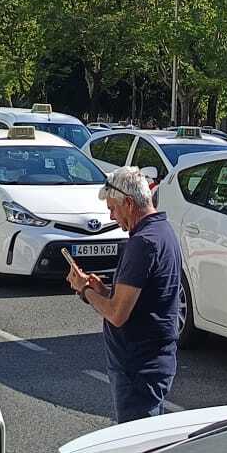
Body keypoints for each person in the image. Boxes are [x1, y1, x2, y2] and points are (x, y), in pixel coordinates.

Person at [67, 166, 183, 422]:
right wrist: (104, 290)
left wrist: (85, 289)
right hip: (152, 362)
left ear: (129, 204)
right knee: (151, 437)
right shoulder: (163, 230)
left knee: (138, 442)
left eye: (113, 208)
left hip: (138, 367)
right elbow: (140, 298)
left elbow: (117, 314)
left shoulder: (142, 243)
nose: (112, 216)